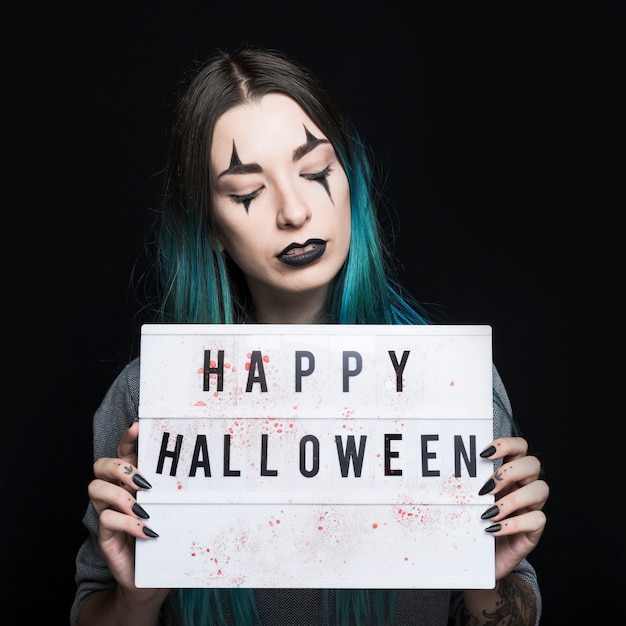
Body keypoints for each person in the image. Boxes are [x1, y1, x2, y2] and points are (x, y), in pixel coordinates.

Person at [71, 47, 549, 626]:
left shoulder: (451, 386)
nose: (294, 211)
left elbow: (503, 615)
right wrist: (138, 594)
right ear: (210, 227)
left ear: (351, 180)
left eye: (316, 172)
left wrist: (487, 578)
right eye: (247, 193)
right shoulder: (146, 402)